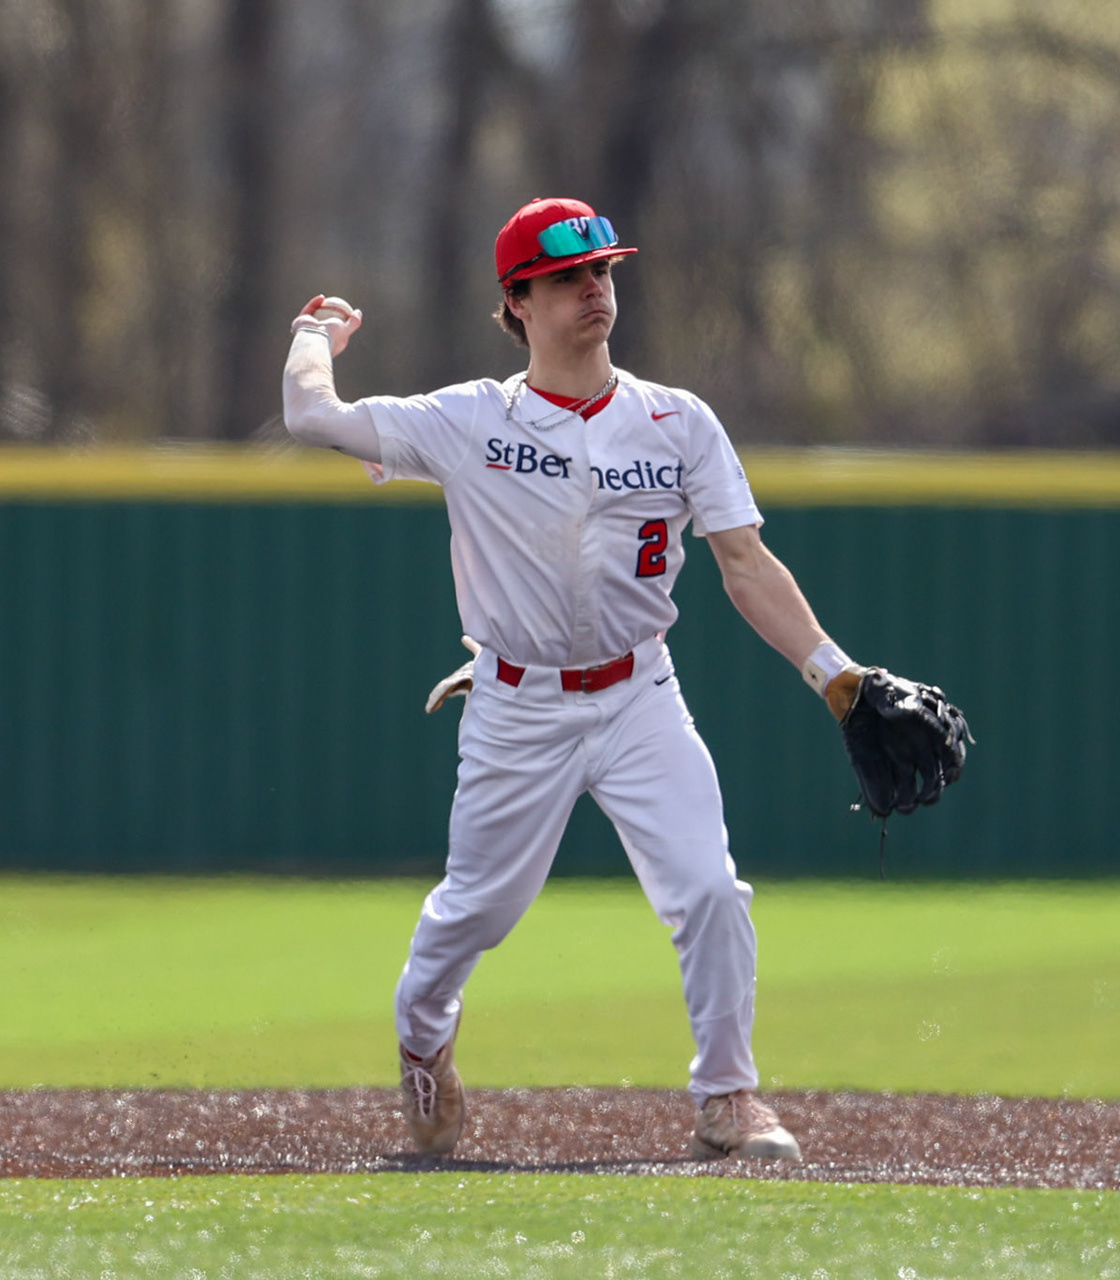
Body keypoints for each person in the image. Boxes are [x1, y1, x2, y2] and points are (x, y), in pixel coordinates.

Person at [283, 196, 878, 1162]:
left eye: (602, 271)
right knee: (476, 912)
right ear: (517, 303)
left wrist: (834, 673)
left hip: (640, 693)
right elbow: (310, 413)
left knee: (713, 892)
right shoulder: (469, 420)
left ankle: (727, 1097)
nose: (594, 291)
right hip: (517, 704)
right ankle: (424, 1042)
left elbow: (745, 561)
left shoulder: (676, 421)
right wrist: (316, 334)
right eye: (567, 279)